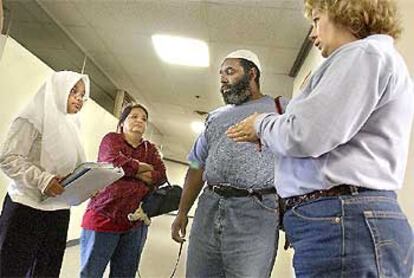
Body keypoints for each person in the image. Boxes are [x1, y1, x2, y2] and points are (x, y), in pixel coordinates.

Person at [227, 0, 414, 277]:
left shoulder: (363, 54)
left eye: (316, 20)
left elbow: (305, 134)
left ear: (346, 12)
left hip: (342, 220)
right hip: (344, 219)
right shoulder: (372, 58)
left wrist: (261, 124)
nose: (313, 33)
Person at [171, 50, 287, 278]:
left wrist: (292, 215)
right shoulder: (215, 117)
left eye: (230, 71)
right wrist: (182, 212)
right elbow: (196, 165)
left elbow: (300, 161)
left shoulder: (281, 108)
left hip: (256, 210)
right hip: (209, 207)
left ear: (252, 73)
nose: (223, 79)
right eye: (221, 74)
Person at [0, 71, 90, 277]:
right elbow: (8, 158)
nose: (79, 98)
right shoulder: (31, 118)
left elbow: (73, 166)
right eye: (73, 91)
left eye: (82, 94)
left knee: (47, 271)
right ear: (59, 89)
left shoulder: (72, 125)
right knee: (11, 269)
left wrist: (88, 182)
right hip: (26, 208)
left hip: (57, 210)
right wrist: (43, 180)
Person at [80, 103, 167, 278]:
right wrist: (142, 169)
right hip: (104, 215)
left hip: (135, 223)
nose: (140, 121)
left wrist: (129, 170)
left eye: (144, 119)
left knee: (125, 274)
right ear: (122, 122)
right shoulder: (112, 139)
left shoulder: (150, 149)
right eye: (134, 116)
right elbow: (112, 162)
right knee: (91, 272)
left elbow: (160, 176)